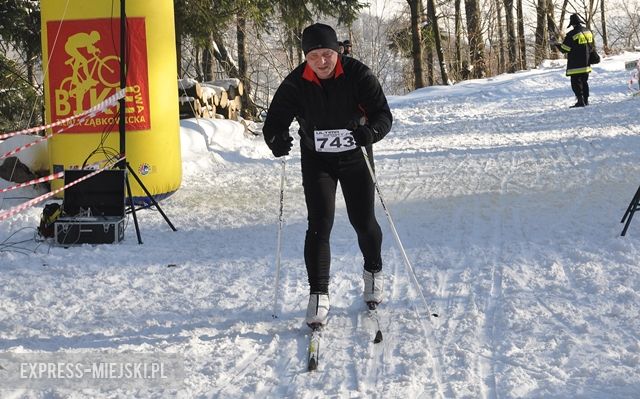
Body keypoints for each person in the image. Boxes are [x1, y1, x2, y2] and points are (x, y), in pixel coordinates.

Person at [262, 23, 393, 328]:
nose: (322, 61)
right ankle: (318, 293)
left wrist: (369, 132)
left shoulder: (358, 75)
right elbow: (274, 123)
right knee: (319, 223)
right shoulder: (296, 83)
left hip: (354, 156)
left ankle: (373, 271)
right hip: (317, 158)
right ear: (305, 58)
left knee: (363, 221)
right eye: (314, 56)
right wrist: (276, 141)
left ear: (338, 51)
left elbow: (383, 115)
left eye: (327, 54)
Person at [555, 14, 595, 107]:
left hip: (575, 64)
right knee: (584, 82)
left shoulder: (571, 34)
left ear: (572, 24)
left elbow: (565, 49)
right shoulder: (588, 31)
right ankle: (586, 100)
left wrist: (557, 45)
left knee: (576, 83)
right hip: (586, 62)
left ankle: (580, 101)